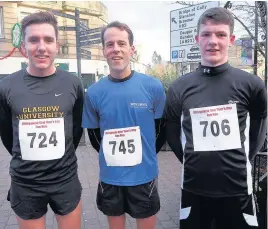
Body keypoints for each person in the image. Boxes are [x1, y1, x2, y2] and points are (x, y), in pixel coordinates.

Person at [165, 7, 267, 229]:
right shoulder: (179, 87)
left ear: (230, 39)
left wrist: (244, 159)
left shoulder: (251, 85)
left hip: (238, 189)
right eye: (206, 34)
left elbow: (260, 124)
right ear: (197, 39)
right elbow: (171, 132)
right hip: (193, 188)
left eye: (220, 34)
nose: (213, 41)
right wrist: (191, 161)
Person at [0, 11, 84, 229]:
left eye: (48, 39)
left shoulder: (73, 83)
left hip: (64, 180)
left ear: (57, 45)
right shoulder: (6, 86)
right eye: (33, 40)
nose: (41, 46)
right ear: (23, 46)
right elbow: (8, 136)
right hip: (26, 183)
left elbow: (75, 132)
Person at [82, 21, 166, 229]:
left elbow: (161, 130)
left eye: (121, 43)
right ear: (104, 50)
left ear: (132, 49)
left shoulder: (153, 86)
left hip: (144, 176)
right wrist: (115, 158)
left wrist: (143, 155)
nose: (116, 49)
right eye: (110, 44)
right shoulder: (93, 92)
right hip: (111, 177)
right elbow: (94, 136)